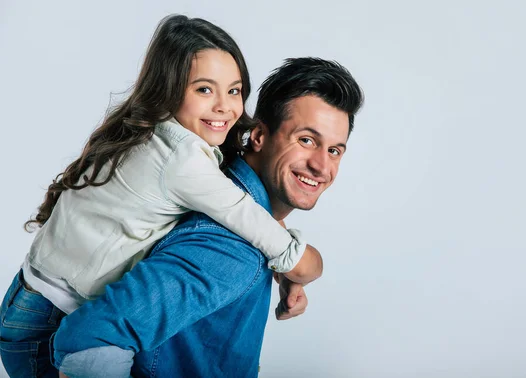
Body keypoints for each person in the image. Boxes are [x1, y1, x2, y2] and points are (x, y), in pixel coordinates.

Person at [0, 15, 324, 377]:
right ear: (169, 90)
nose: (224, 106)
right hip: (46, 320)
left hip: (31, 301)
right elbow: (256, 226)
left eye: (233, 90)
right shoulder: (182, 159)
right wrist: (307, 268)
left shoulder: (154, 132)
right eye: (204, 89)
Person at [51, 57, 364, 377]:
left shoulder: (226, 192)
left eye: (334, 150)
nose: (322, 167)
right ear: (258, 136)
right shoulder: (232, 248)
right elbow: (91, 335)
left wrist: (289, 267)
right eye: (306, 140)